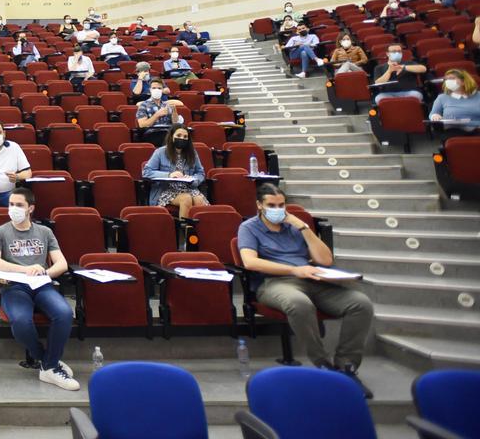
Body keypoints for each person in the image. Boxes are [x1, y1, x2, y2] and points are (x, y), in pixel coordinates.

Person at [237, 184, 374, 397]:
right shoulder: (249, 227)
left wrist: (303, 227)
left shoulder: (295, 227)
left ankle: (347, 366)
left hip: (314, 280)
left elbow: (325, 260)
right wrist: (294, 269)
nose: (278, 209)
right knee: (299, 304)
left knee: (360, 303)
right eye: (271, 205)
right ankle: (323, 365)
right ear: (259, 205)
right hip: (275, 282)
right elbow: (250, 262)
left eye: (281, 205)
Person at [0, 187, 79, 391]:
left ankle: (50, 366)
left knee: (63, 313)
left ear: (30, 208)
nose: (13, 209)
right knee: (21, 321)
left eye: (19, 205)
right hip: (15, 287)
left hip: (42, 285)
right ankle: (48, 362)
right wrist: (25, 269)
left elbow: (61, 264)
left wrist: (45, 273)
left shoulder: (44, 232)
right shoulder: (0, 232)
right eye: (11, 204)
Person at [143, 126, 208, 218]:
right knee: (186, 199)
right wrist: (169, 175)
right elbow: (146, 172)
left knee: (199, 200)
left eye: (185, 137)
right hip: (166, 189)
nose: (182, 138)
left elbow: (200, 173)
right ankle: (184, 230)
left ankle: (197, 231)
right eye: (179, 135)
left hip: (188, 188)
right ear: (172, 136)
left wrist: (193, 179)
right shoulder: (160, 152)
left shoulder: (192, 153)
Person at [429, 69, 480, 137]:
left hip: (477, 129)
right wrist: (435, 116)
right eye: (446, 79)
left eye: (452, 78)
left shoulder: (478, 95)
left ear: (463, 81)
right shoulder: (442, 97)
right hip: (453, 130)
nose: (448, 81)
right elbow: (433, 114)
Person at [136, 79, 182, 147]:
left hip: (168, 132)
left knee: (183, 138)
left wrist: (174, 111)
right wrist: (157, 115)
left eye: (159, 88)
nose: (156, 90)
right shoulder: (143, 105)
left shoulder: (167, 104)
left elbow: (175, 122)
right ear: (150, 90)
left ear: (162, 90)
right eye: (154, 88)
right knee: (170, 140)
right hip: (152, 133)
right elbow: (142, 124)